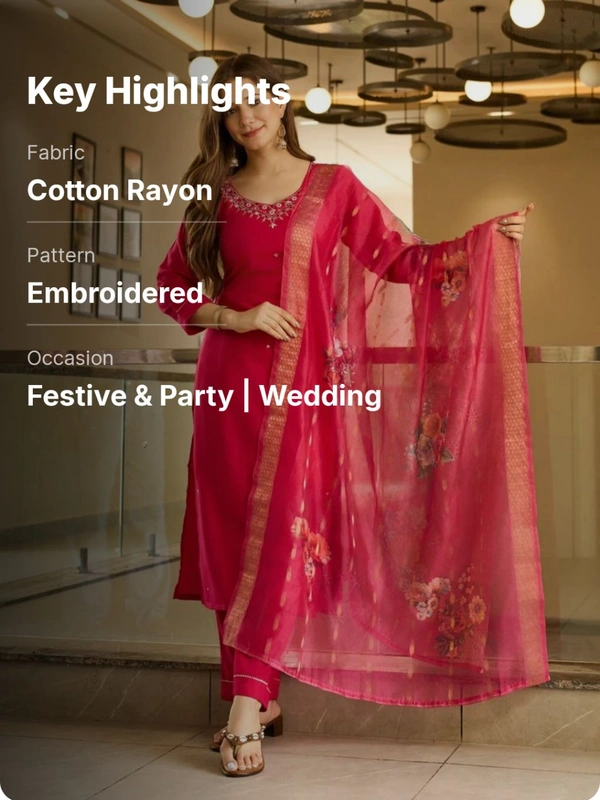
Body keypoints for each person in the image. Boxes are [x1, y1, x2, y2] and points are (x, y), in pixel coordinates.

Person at [156, 54, 548, 779]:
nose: (248, 116)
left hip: (303, 396)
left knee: (280, 536)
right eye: (231, 106)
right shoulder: (215, 192)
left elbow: (402, 262)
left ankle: (244, 704)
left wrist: (484, 243)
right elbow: (171, 286)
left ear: (282, 103)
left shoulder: (331, 187)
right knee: (233, 538)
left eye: (259, 100)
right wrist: (235, 316)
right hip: (228, 389)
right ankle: (256, 699)